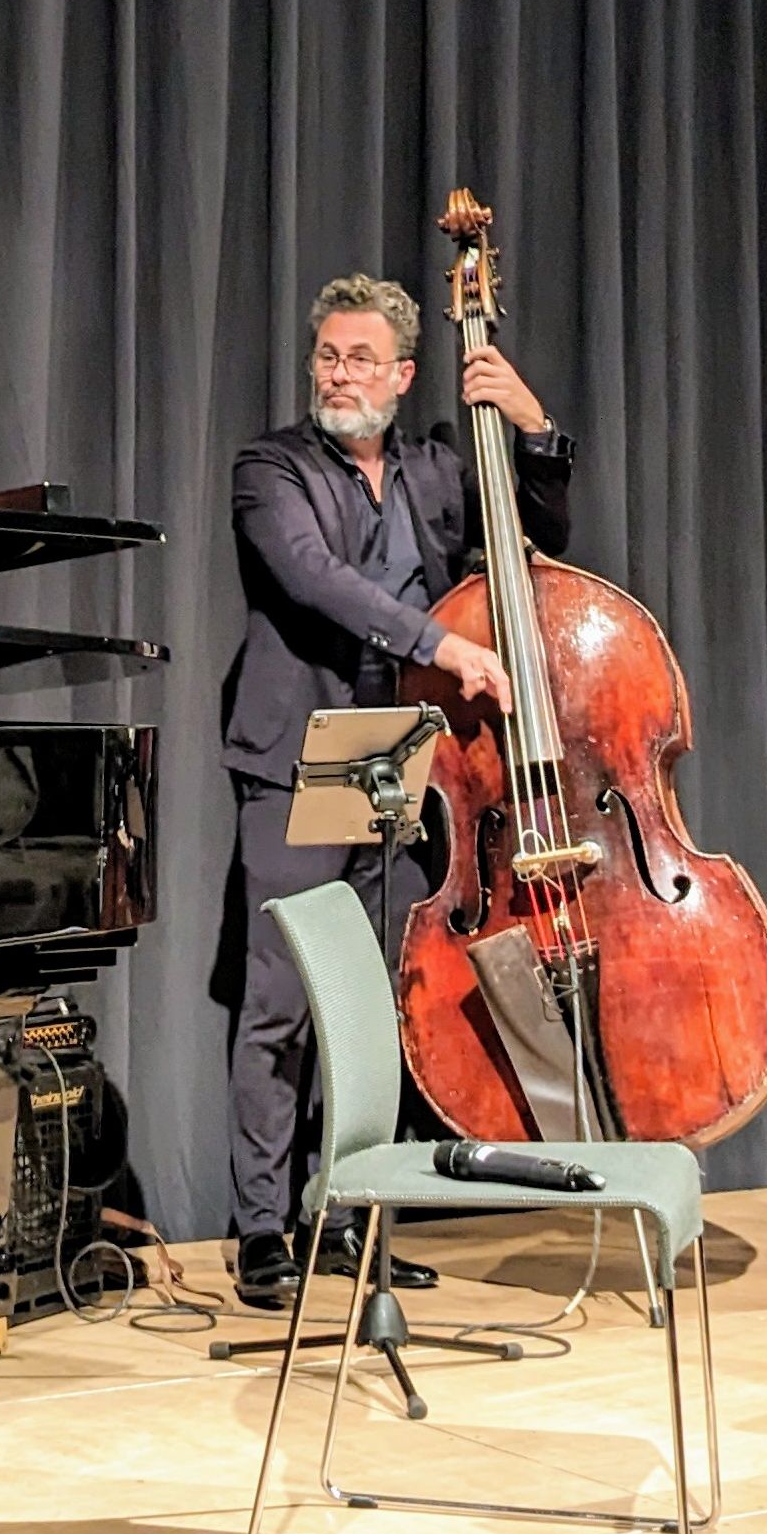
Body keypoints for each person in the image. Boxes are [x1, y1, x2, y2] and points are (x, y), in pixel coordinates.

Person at [221, 274, 569, 1312]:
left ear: (405, 373)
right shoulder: (269, 466)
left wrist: (533, 426)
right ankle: (260, 1232)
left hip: (411, 757)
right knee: (281, 1004)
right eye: (329, 354)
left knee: (382, 1007)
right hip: (298, 755)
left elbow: (536, 535)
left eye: (361, 358)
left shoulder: (435, 468)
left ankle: (351, 1214)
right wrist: (437, 641)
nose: (340, 373)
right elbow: (313, 574)